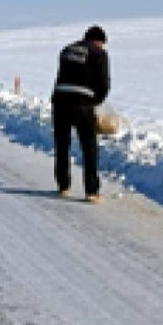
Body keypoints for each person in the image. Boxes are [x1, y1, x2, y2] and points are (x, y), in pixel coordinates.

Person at [52, 25, 110, 202]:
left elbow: (61, 75)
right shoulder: (98, 53)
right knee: (89, 147)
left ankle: (63, 185)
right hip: (82, 104)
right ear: (99, 41)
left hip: (60, 100)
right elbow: (103, 83)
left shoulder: (66, 50)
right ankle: (91, 191)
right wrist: (97, 102)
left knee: (62, 144)